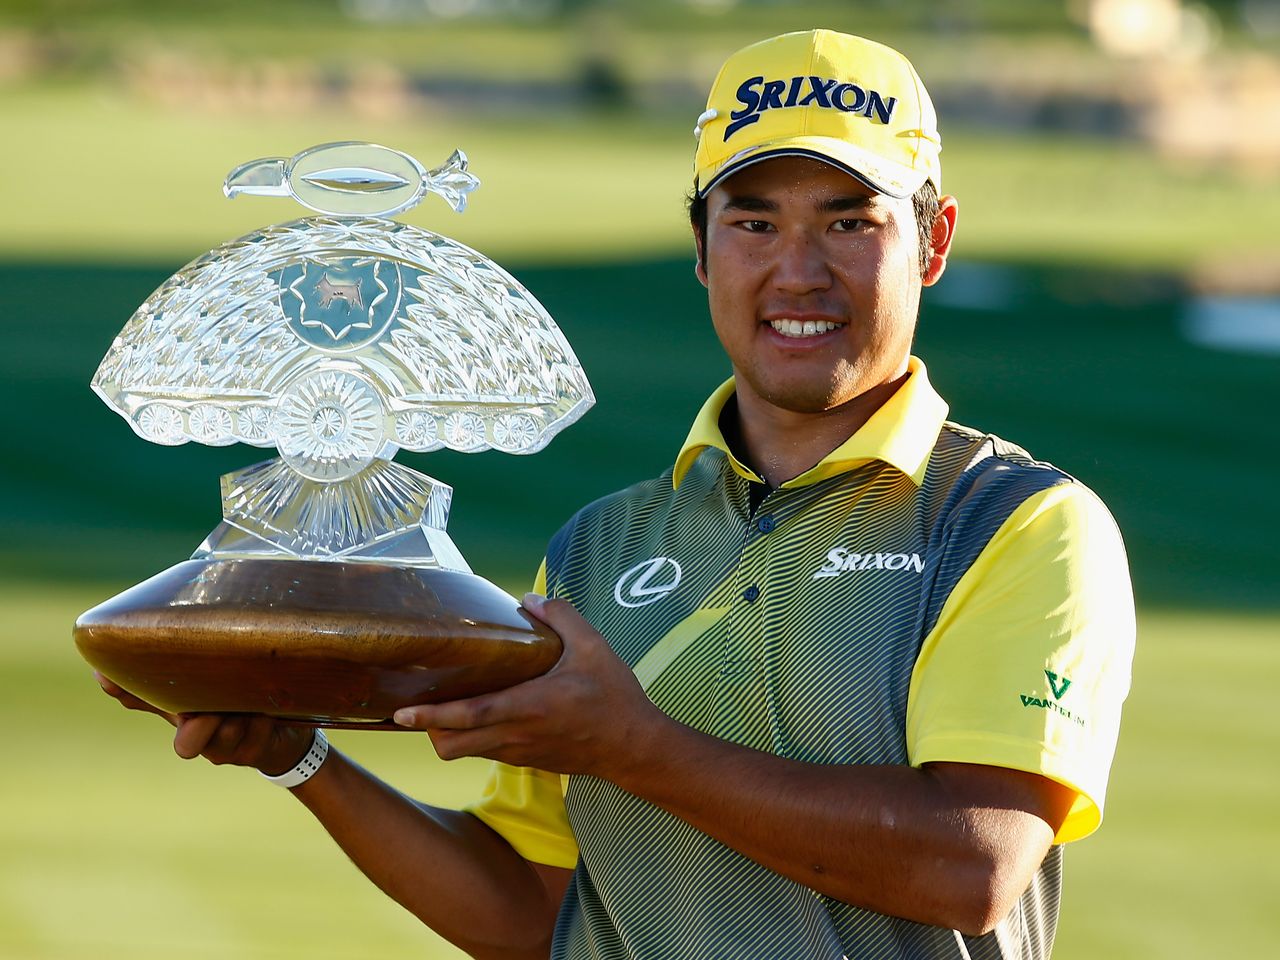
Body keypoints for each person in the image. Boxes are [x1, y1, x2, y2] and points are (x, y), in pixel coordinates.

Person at [99, 29, 1136, 960]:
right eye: (753, 222)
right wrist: (302, 758)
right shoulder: (599, 545)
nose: (797, 273)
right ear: (698, 247)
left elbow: (970, 868)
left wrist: (634, 746)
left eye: (849, 222)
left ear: (933, 241)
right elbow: (526, 912)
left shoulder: (1014, 523)